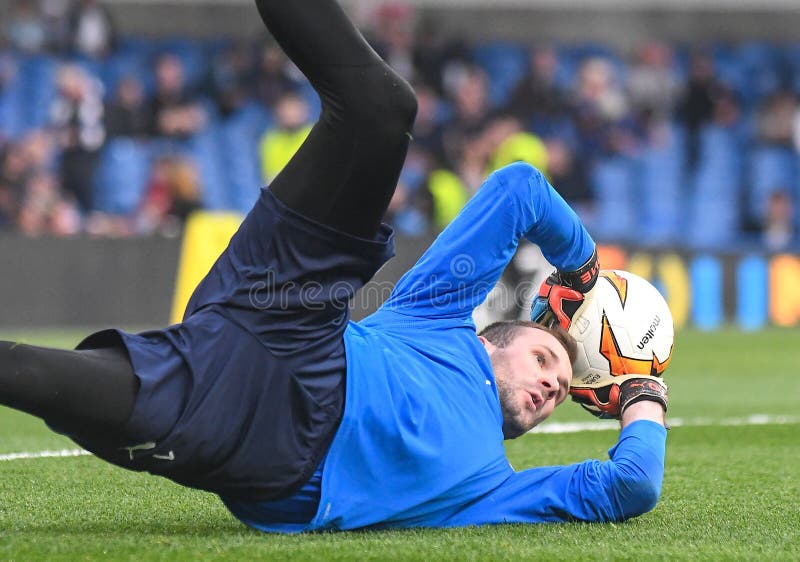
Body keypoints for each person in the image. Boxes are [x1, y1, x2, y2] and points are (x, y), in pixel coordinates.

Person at [0, 0, 668, 532]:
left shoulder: (491, 486)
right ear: (492, 339)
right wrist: (580, 267)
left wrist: (642, 396)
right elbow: (521, 189)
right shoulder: (433, 317)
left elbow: (630, 485)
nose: (553, 387)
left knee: (33, 374)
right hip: (292, 316)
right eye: (546, 361)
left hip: (272, 438)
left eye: (559, 390)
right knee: (382, 109)